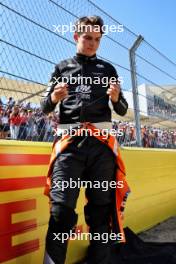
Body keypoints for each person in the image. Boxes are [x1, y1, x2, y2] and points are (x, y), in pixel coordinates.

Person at [41, 16, 129, 264]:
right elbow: (44, 106)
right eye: (87, 38)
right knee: (60, 212)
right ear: (76, 37)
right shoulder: (61, 67)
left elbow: (122, 110)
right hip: (69, 146)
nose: (92, 44)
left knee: (101, 211)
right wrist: (55, 98)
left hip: (101, 147)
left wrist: (115, 98)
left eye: (97, 40)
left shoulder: (109, 70)